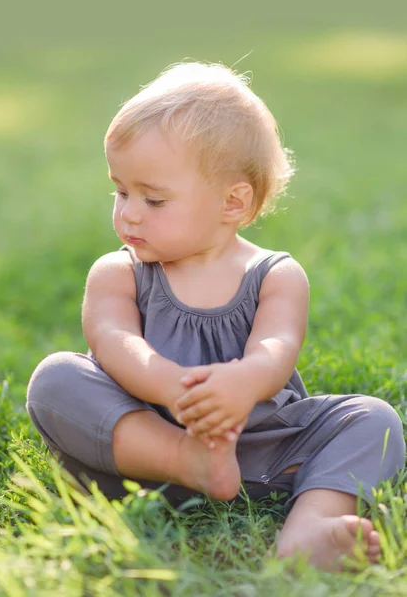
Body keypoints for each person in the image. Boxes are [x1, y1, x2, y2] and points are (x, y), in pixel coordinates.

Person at [26, 61, 405, 571]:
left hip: (262, 449)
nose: (129, 213)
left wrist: (240, 384)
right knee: (55, 378)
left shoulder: (274, 275)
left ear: (232, 202)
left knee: (372, 419)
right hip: (143, 454)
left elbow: (275, 350)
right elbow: (113, 340)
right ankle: (188, 461)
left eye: (153, 198)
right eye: (120, 192)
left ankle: (309, 529)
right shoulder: (119, 271)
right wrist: (177, 390)